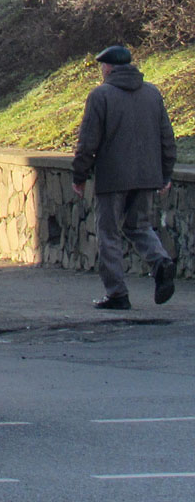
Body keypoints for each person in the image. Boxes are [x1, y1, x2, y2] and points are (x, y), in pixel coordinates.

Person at [72, 44, 177, 310]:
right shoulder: (152, 94)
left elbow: (88, 141)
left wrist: (80, 175)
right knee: (138, 226)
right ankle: (160, 261)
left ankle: (117, 293)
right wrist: (166, 173)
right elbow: (167, 137)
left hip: (113, 178)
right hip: (148, 175)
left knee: (108, 234)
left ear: (107, 68)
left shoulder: (101, 96)